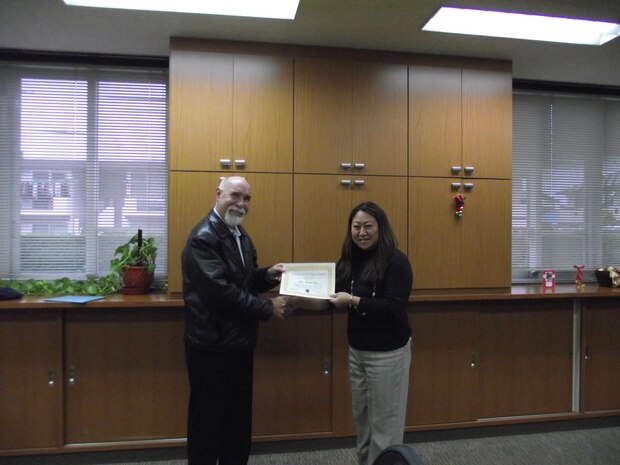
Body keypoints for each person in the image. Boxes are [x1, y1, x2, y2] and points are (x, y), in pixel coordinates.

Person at [290, 201, 413, 465]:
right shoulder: (349, 261)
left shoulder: (396, 261)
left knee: (385, 427)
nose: (362, 232)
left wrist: (353, 301)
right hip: (357, 353)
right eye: (356, 226)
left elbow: (393, 307)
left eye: (368, 226)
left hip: (388, 355)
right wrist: (296, 298)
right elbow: (328, 299)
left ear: (381, 228)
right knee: (364, 425)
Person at [181, 176, 291, 465]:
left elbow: (243, 282)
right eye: (235, 196)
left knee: (237, 422)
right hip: (211, 347)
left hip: (238, 343)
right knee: (208, 424)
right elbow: (220, 294)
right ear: (218, 194)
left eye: (247, 199)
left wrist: (266, 275)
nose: (241, 204)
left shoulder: (239, 234)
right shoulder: (203, 237)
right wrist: (268, 309)